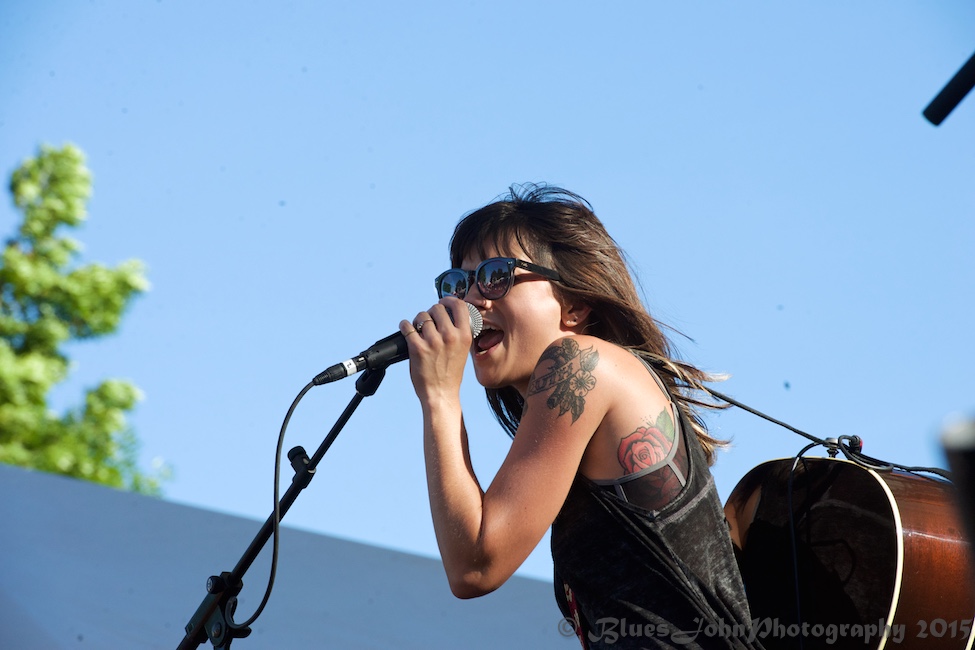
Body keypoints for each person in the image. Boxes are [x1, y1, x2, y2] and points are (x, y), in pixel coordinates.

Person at [399, 185, 760, 649]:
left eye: (496, 276)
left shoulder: (579, 361)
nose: (470, 303)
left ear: (574, 304)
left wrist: (440, 398)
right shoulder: (580, 387)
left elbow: (475, 566)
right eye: (459, 284)